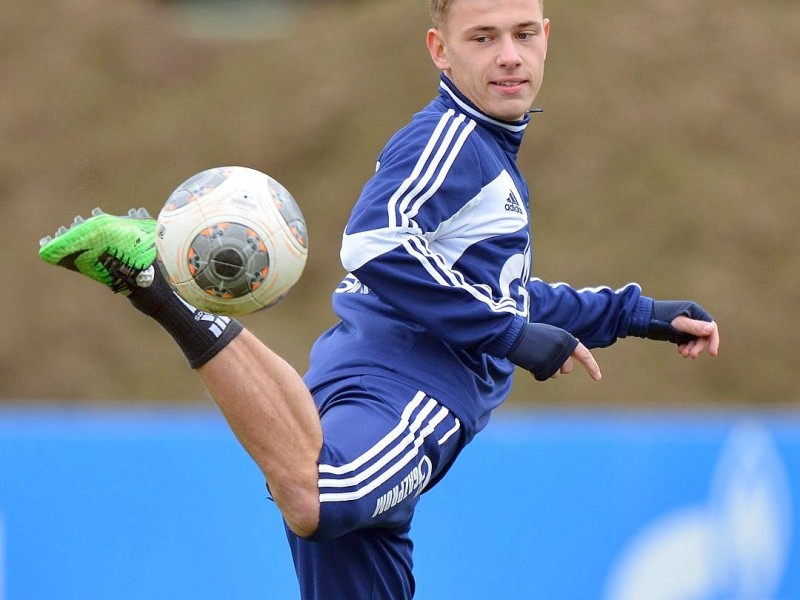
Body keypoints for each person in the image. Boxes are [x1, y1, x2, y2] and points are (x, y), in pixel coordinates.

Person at [38, 0, 720, 597]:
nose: (509, 56)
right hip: (407, 390)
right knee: (316, 496)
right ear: (440, 50)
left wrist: (638, 314)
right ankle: (165, 290)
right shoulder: (454, 140)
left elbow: (501, 289)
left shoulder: (486, 151)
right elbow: (375, 243)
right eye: (483, 37)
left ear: (547, 36)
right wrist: (508, 337)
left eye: (522, 34)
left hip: (375, 383)